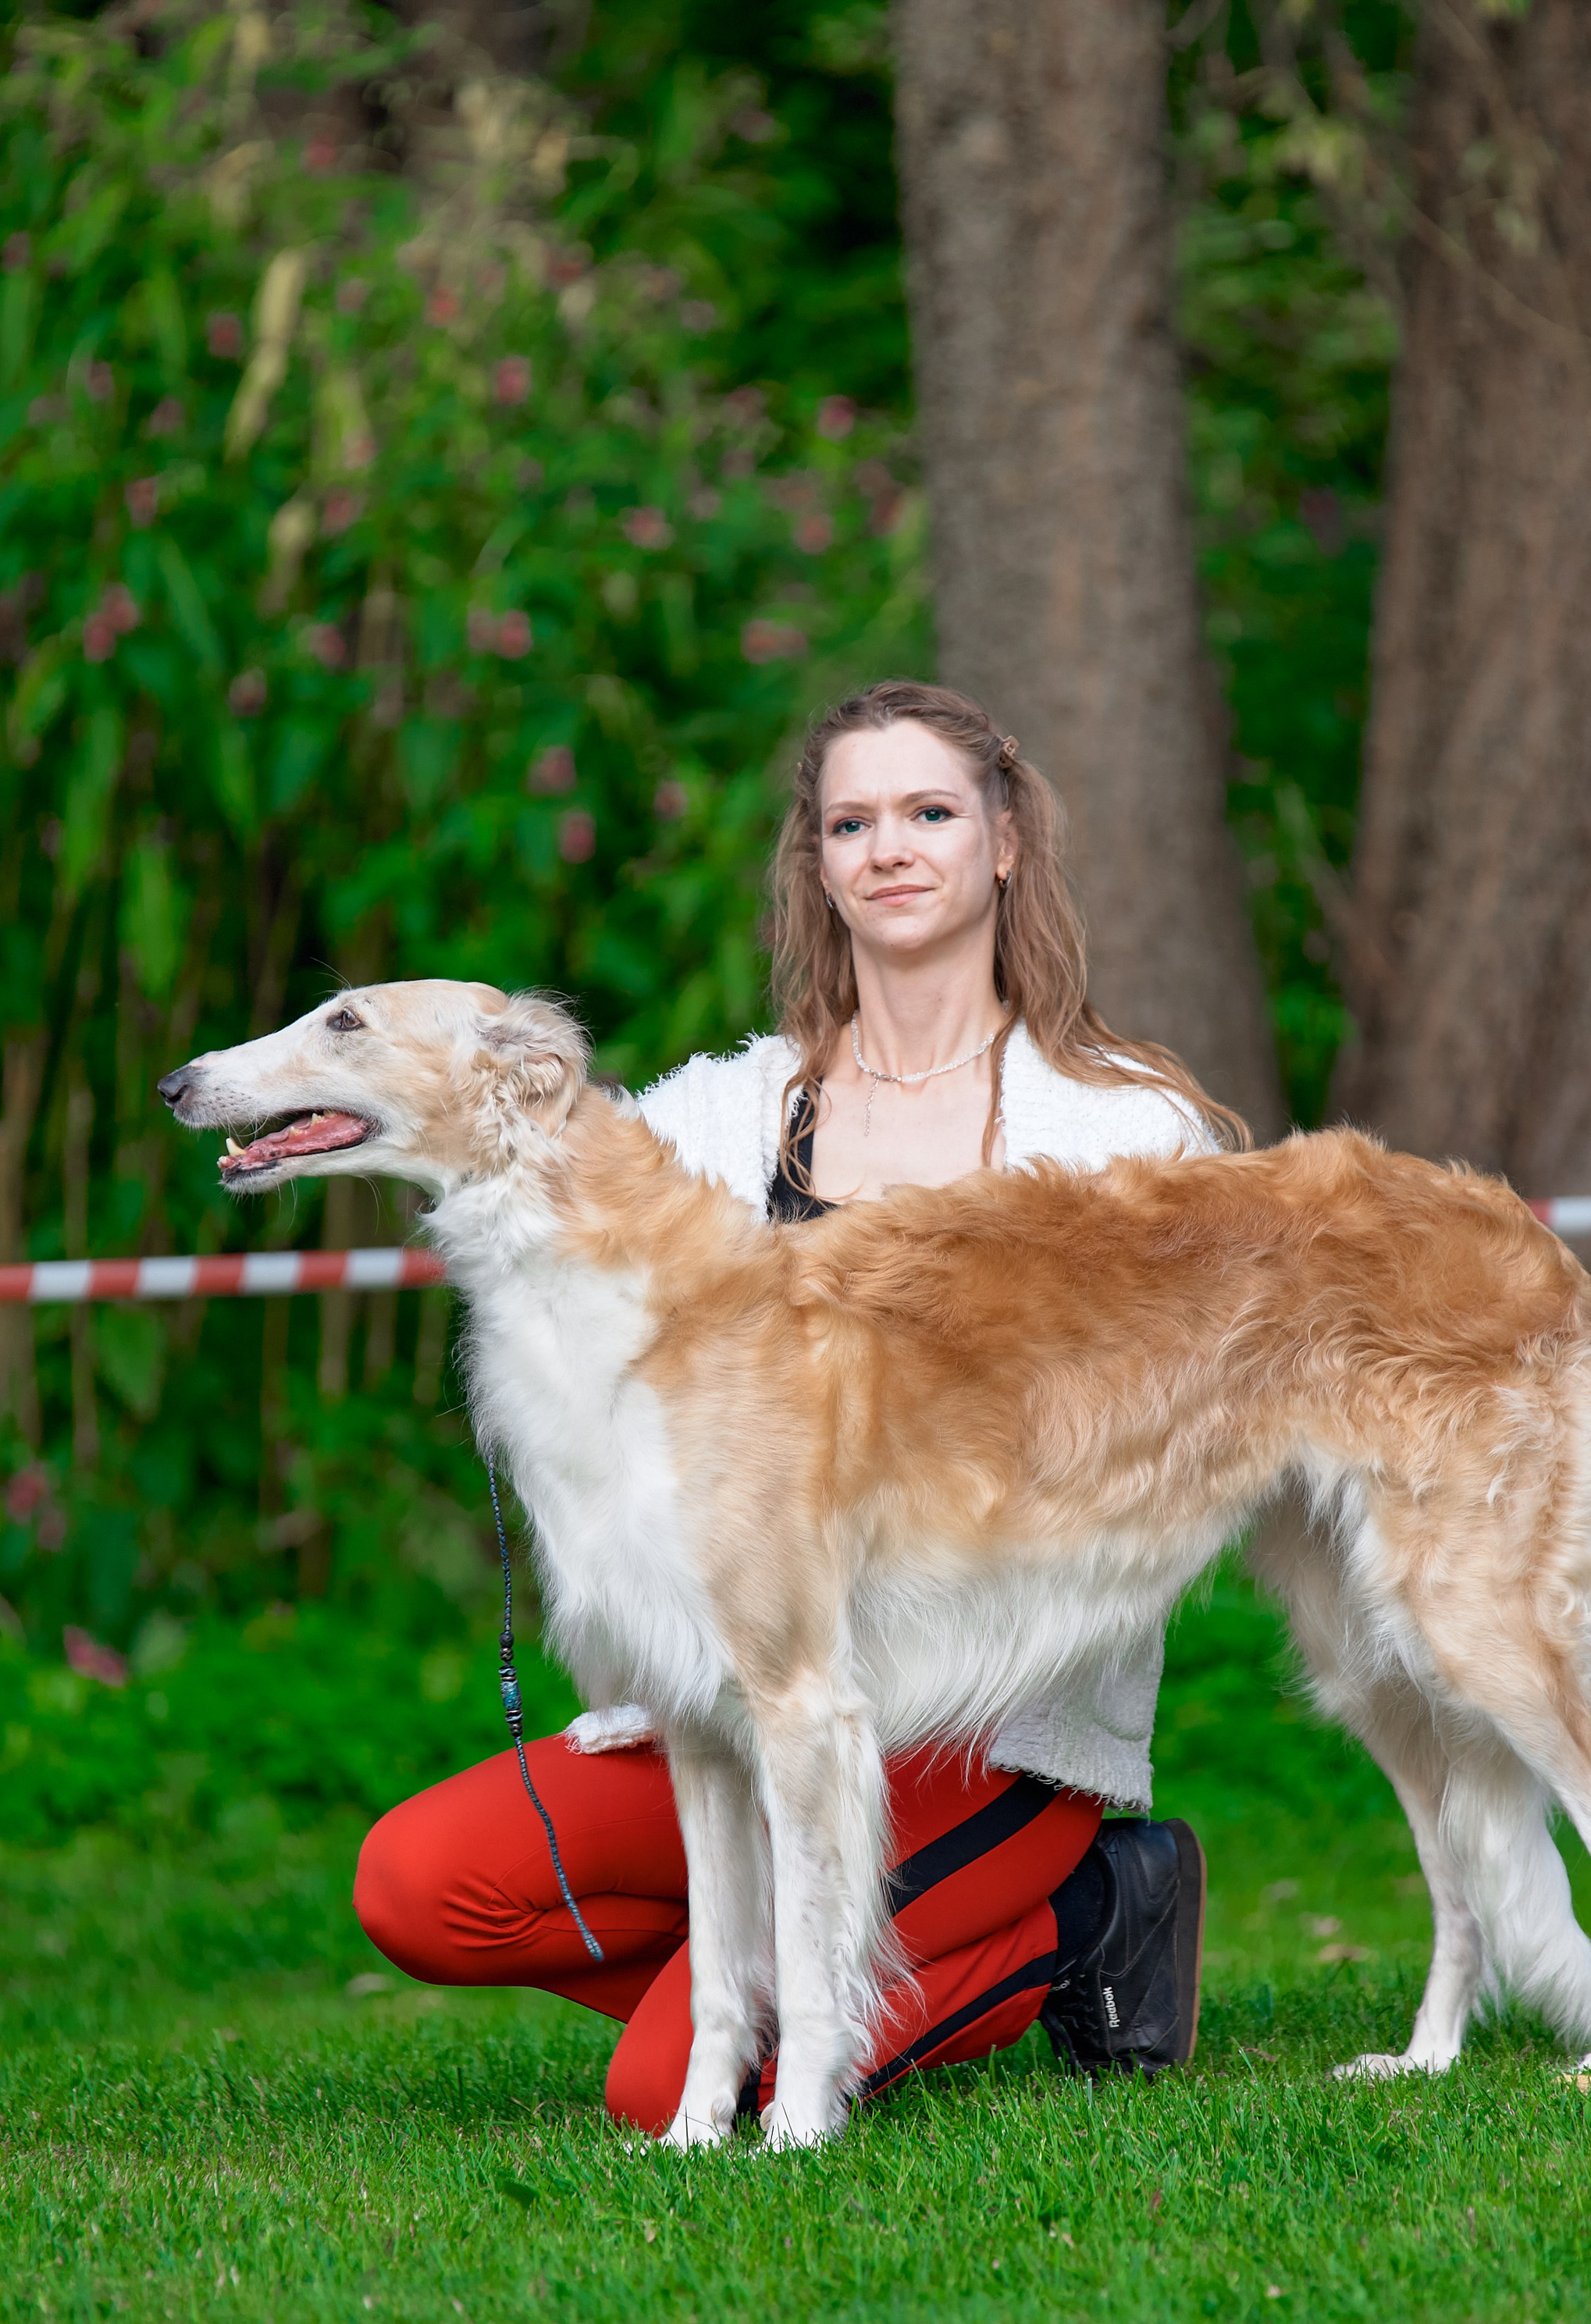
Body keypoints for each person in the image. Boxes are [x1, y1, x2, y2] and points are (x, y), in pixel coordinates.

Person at [354, 680, 1246, 2134]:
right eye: (852, 822)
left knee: (670, 2085)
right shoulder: (711, 1120)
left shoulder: (1124, 1131)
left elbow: (1174, 1457)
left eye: (930, 813)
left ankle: (1074, 1919)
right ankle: (795, 1948)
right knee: (424, 1887)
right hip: (750, 1685)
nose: (891, 848)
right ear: (819, 863)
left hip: (985, 1723)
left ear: (1005, 842)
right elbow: (540, 1217)